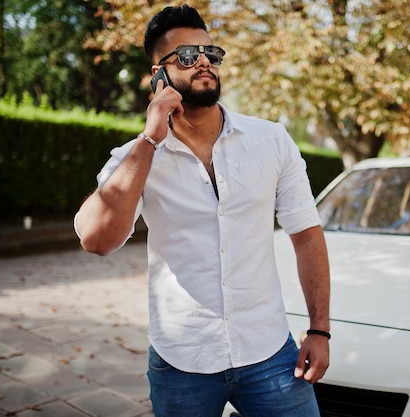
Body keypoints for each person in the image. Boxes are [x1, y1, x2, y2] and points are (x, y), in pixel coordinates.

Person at [74, 4, 330, 417]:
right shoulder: (135, 157)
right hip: (181, 359)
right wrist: (150, 139)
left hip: (268, 352)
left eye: (211, 53)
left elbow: (306, 234)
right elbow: (96, 239)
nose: (205, 63)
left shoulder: (272, 141)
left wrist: (320, 329)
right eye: (188, 56)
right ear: (158, 75)